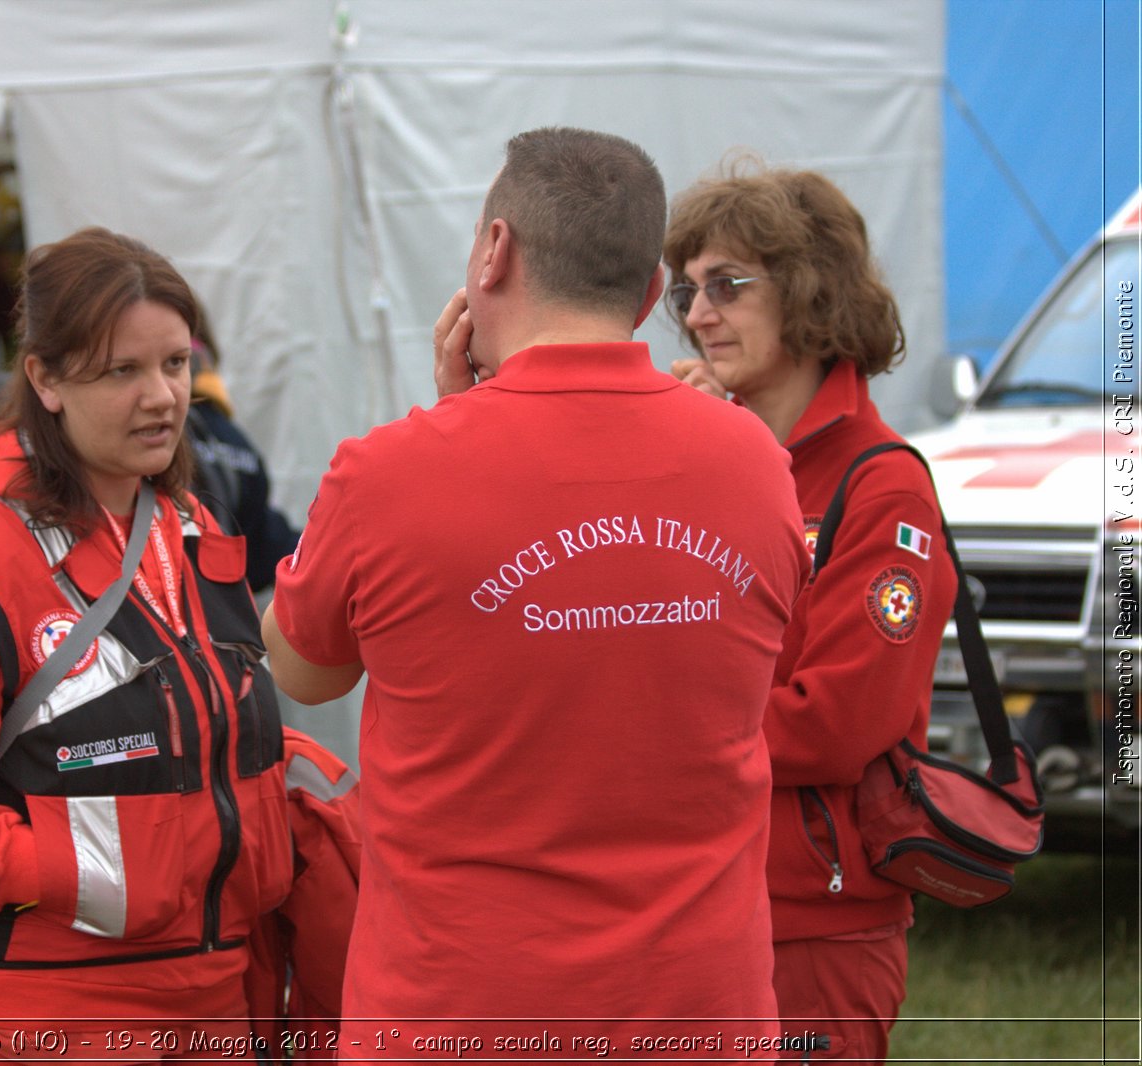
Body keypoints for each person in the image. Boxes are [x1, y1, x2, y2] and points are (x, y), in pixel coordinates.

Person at [261, 127, 808, 1055]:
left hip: (458, 1013)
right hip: (698, 1010)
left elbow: (302, 671)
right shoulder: (757, 461)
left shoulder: (389, 475)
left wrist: (450, 431)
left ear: (495, 252)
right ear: (646, 295)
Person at [0, 227, 294, 1058]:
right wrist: (67, 866)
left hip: (213, 988)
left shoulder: (188, 523)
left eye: (175, 364)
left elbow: (192, 733)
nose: (161, 396)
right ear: (43, 377)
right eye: (123, 371)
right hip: (49, 1005)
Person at [664, 163, 958, 1062]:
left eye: (727, 285)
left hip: (816, 925)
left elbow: (835, 723)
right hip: (692, 895)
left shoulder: (885, 487)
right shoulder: (716, 457)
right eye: (687, 291)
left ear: (809, 290)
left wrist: (652, 743)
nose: (697, 314)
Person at [185, 312, 301, 593]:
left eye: (174, 363)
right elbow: (263, 540)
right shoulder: (232, 436)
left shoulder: (162, 436)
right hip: (224, 611)